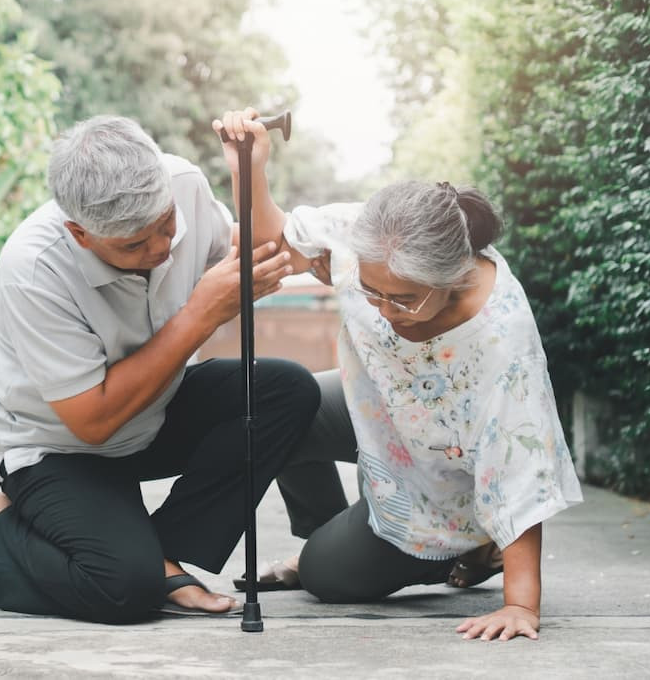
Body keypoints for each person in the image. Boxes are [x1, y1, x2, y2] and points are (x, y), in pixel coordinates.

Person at [213, 108, 584, 641]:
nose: (384, 310)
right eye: (372, 291)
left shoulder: (502, 339)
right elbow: (274, 246)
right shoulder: (371, 233)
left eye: (404, 299)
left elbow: (518, 469)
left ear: (453, 278)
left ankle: (471, 544)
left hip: (444, 482)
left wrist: (521, 606)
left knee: (324, 576)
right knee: (277, 402)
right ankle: (329, 533)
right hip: (377, 409)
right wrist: (249, 168)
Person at [0, 115, 323, 623]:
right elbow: (92, 422)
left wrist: (248, 173)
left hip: (153, 413)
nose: (161, 249)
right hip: (59, 447)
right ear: (80, 233)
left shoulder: (181, 183)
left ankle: (158, 552)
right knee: (123, 591)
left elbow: (260, 253)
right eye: (133, 246)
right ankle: (0, 527)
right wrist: (201, 314)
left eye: (166, 227)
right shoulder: (34, 268)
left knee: (285, 389)